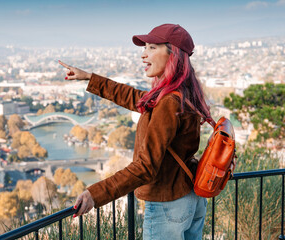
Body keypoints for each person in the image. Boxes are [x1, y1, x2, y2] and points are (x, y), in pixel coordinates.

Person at [59, 23, 209, 240]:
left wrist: (95, 194)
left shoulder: (169, 102)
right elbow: (133, 97)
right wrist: (90, 78)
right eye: (144, 48)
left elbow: (145, 167)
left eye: (151, 47)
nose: (143, 54)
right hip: (191, 197)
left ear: (172, 54)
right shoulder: (183, 92)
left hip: (168, 205)